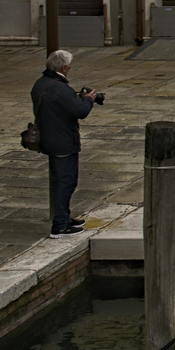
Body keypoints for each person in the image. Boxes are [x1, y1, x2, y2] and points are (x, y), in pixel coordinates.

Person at [31, 50, 100, 238]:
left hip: (49, 139)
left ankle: (64, 217)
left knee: (60, 181)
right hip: (63, 142)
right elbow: (81, 111)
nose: (70, 68)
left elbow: (55, 108)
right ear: (64, 67)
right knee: (66, 182)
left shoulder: (40, 84)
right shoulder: (60, 88)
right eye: (69, 65)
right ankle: (60, 225)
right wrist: (88, 99)